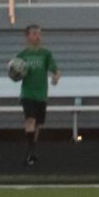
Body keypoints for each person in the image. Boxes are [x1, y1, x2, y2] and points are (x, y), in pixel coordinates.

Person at [12, 22, 60, 166]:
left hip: (41, 94)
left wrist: (55, 78)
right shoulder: (22, 55)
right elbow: (15, 75)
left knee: (38, 124)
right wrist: (13, 71)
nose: (38, 36)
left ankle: (32, 149)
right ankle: (30, 150)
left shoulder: (45, 54)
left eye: (39, 33)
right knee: (30, 120)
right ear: (27, 36)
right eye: (34, 33)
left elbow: (55, 70)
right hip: (28, 94)